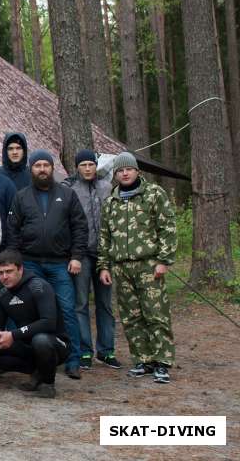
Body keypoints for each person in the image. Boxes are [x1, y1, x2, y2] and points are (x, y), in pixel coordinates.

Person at [5, 149, 88, 379]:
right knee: (22, 309)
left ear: (52, 169)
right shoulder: (21, 196)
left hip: (60, 264)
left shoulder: (67, 194)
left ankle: (73, 360)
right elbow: (12, 230)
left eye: (46, 165)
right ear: (31, 169)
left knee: (68, 310)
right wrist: (16, 261)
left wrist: (76, 256)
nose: (42, 169)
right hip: (30, 264)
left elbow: (79, 227)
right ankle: (23, 357)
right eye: (37, 165)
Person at [97, 152, 177, 384]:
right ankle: (143, 360)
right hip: (122, 268)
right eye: (120, 170)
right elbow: (105, 238)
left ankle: (162, 362)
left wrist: (164, 260)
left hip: (149, 265)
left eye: (128, 169)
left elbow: (167, 228)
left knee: (156, 314)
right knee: (131, 317)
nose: (124, 173)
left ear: (137, 171)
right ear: (116, 174)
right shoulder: (111, 202)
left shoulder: (153, 194)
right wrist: (103, 266)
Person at [0, 250, 71, 398]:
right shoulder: (3, 294)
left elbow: (48, 323)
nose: (4, 277)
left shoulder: (39, 286)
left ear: (20, 269)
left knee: (40, 340)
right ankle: (38, 371)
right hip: (27, 345)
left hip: (56, 344)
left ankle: (48, 383)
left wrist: (13, 335)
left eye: (9, 271)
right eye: (0, 272)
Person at [63, 149, 120, 370]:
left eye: (91, 164)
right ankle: (85, 350)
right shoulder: (70, 189)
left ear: (96, 166)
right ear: (77, 167)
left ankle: (106, 350)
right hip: (81, 253)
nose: (87, 168)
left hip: (105, 253)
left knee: (105, 303)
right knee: (81, 303)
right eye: (83, 165)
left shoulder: (107, 188)